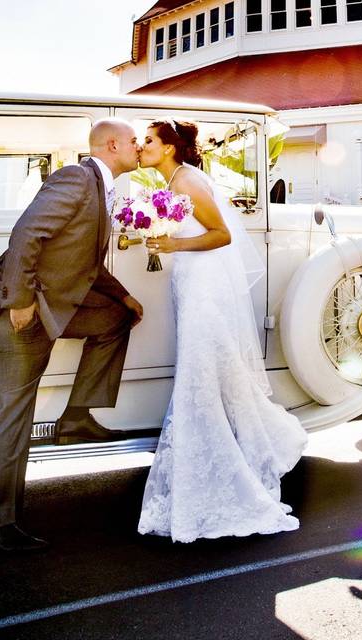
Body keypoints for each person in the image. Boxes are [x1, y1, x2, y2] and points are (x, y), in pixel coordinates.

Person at [0, 118, 144, 552]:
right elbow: (26, 233)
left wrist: (124, 299)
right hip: (25, 310)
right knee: (12, 413)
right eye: (133, 141)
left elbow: (84, 262)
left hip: (58, 306)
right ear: (112, 145)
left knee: (113, 321)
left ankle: (76, 417)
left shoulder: (102, 186)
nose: (139, 147)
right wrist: (19, 301)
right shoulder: (75, 178)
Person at [135, 119, 308, 542]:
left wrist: (172, 244)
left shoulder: (188, 181)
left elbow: (221, 235)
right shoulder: (171, 179)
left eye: (150, 141)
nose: (142, 146)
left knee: (201, 373)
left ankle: (231, 462)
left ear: (171, 147)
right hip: (190, 281)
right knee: (213, 371)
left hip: (204, 286)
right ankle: (259, 441)